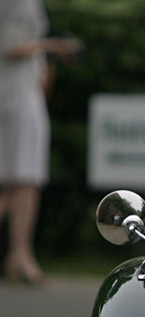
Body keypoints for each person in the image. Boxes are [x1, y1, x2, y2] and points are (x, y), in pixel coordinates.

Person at [0, 0, 80, 285]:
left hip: (24, 92)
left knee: (25, 179)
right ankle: (20, 256)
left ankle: (21, 254)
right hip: (13, 95)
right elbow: (8, 46)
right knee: (21, 178)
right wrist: (53, 47)